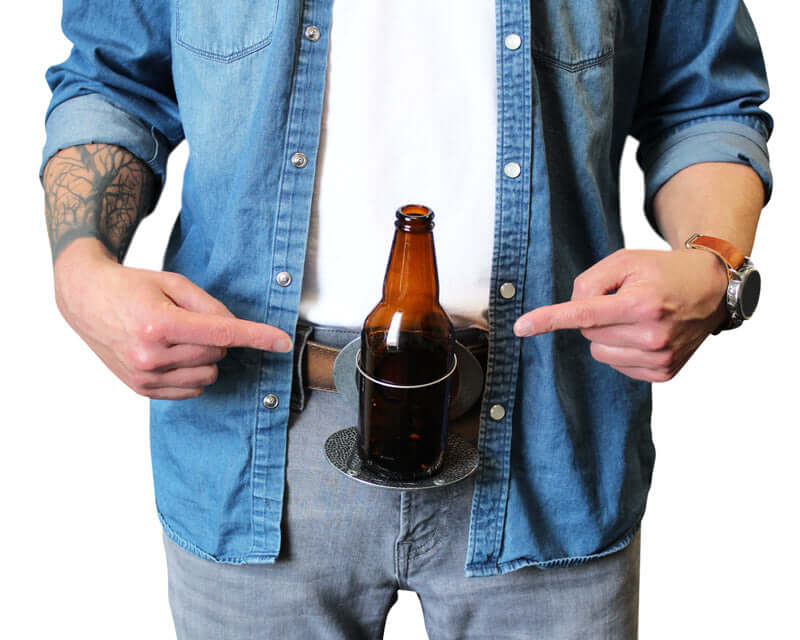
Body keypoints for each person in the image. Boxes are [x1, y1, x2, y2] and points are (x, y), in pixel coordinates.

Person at [40, 1, 772, 638]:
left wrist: (713, 263)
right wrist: (81, 274)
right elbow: (113, 82)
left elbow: (703, 102)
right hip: (252, 432)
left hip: (551, 431)